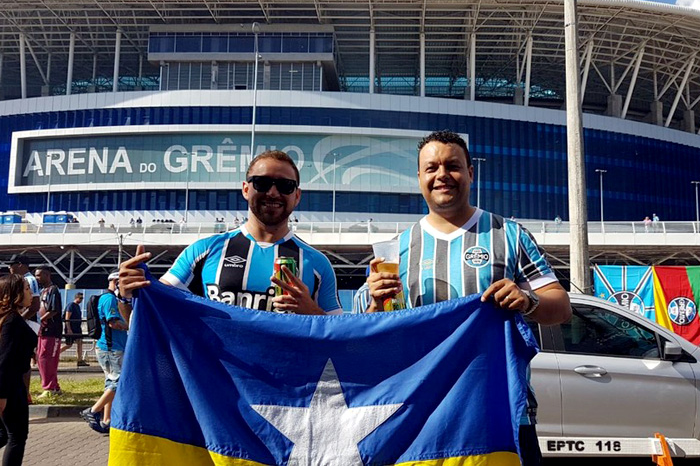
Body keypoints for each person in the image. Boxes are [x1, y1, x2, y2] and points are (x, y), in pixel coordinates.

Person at [366, 130, 571, 466]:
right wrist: (375, 305)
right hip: (422, 419)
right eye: (431, 168)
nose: (442, 175)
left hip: (502, 415)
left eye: (453, 166)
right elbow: (369, 338)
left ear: (471, 173)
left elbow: (561, 307)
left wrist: (527, 299)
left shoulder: (508, 234)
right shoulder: (397, 251)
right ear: (419, 177)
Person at [118, 150, 342, 321]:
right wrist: (126, 295)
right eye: (262, 183)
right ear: (246, 189)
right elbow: (151, 318)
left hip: (288, 382)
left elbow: (343, 337)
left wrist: (313, 312)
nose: (273, 192)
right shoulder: (203, 251)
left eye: (285, 185)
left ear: (297, 196)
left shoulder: (317, 264)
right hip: (215, 382)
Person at [80, 272, 128, 435]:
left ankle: (107, 420)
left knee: (111, 383)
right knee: (118, 381)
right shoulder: (109, 299)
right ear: (115, 282)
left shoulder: (110, 298)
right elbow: (113, 322)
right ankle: (93, 411)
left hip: (112, 347)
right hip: (111, 348)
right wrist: (130, 326)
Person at [0, 274, 38, 465]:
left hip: (13, 385)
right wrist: (2, 395)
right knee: (15, 436)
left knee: (8, 435)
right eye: (26, 289)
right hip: (9, 386)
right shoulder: (11, 321)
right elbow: (4, 360)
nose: (30, 293)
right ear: (14, 293)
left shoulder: (10, 318)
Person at [8, 257, 40, 405]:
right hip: (25, 323)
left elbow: (34, 305)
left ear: (20, 265)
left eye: (11, 265)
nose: (10, 268)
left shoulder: (29, 280)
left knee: (23, 360)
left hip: (28, 323)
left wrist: (19, 319)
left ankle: (25, 394)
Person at [34, 266, 63, 399]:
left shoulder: (53, 290)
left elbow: (54, 310)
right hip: (42, 330)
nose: (36, 278)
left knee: (48, 358)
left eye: (39, 275)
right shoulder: (42, 291)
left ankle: (49, 387)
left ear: (47, 275)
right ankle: (53, 386)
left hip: (52, 330)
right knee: (41, 358)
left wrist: (41, 319)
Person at [60, 293, 89, 367]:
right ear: (76, 298)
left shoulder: (78, 307)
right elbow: (67, 318)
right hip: (71, 327)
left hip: (77, 328)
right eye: (80, 298)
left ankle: (79, 360)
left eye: (82, 298)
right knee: (69, 344)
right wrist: (69, 329)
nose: (81, 300)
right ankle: (55, 354)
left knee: (80, 342)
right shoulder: (71, 305)